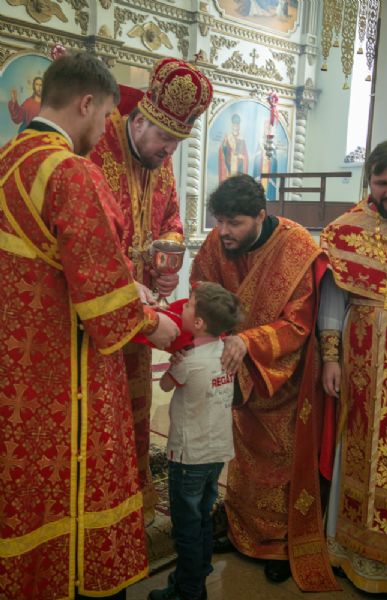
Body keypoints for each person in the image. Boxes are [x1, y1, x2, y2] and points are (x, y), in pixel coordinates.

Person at [0, 51, 179, 600]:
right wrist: (157, 324)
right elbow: (104, 298)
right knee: (78, 482)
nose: (104, 131)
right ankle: (78, 580)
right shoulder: (71, 171)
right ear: (85, 104)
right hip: (67, 371)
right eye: (104, 117)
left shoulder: (8, 159)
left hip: (17, 365)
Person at [190, 174, 339, 592]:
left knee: (279, 460)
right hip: (237, 373)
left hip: (283, 374)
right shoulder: (217, 242)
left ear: (260, 215)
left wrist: (249, 341)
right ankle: (242, 532)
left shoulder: (297, 249)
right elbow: (201, 288)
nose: (223, 231)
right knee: (242, 459)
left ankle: (278, 546)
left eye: (234, 223)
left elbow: (298, 323)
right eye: (219, 221)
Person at [90, 58, 213, 523]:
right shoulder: (95, 145)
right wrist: (129, 278)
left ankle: (133, 496)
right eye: (164, 138)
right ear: (139, 120)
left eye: (178, 143)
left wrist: (167, 261)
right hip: (102, 310)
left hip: (143, 317)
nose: (169, 152)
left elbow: (172, 221)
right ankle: (99, 506)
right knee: (102, 412)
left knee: (135, 408)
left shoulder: (160, 161)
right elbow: (88, 240)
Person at [319, 139, 387, 597]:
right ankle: (350, 550)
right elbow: (333, 301)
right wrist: (331, 358)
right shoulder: (346, 231)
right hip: (361, 361)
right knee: (358, 447)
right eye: (382, 182)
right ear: (369, 180)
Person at [149, 282, 241, 600]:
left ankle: (188, 591)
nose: (183, 308)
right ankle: (197, 576)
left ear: (198, 322)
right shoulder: (227, 354)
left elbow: (164, 385)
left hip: (188, 456)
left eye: (188, 306)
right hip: (217, 453)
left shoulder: (189, 362)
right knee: (202, 518)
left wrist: (175, 363)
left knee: (186, 526)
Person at [218, 113, 248, 182]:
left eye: (237, 125)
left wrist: (243, 157)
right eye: (234, 125)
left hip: (239, 168)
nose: (236, 127)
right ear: (232, 125)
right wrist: (224, 145)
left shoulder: (242, 139)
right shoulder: (228, 137)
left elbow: (245, 156)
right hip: (229, 167)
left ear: (239, 126)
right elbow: (223, 152)